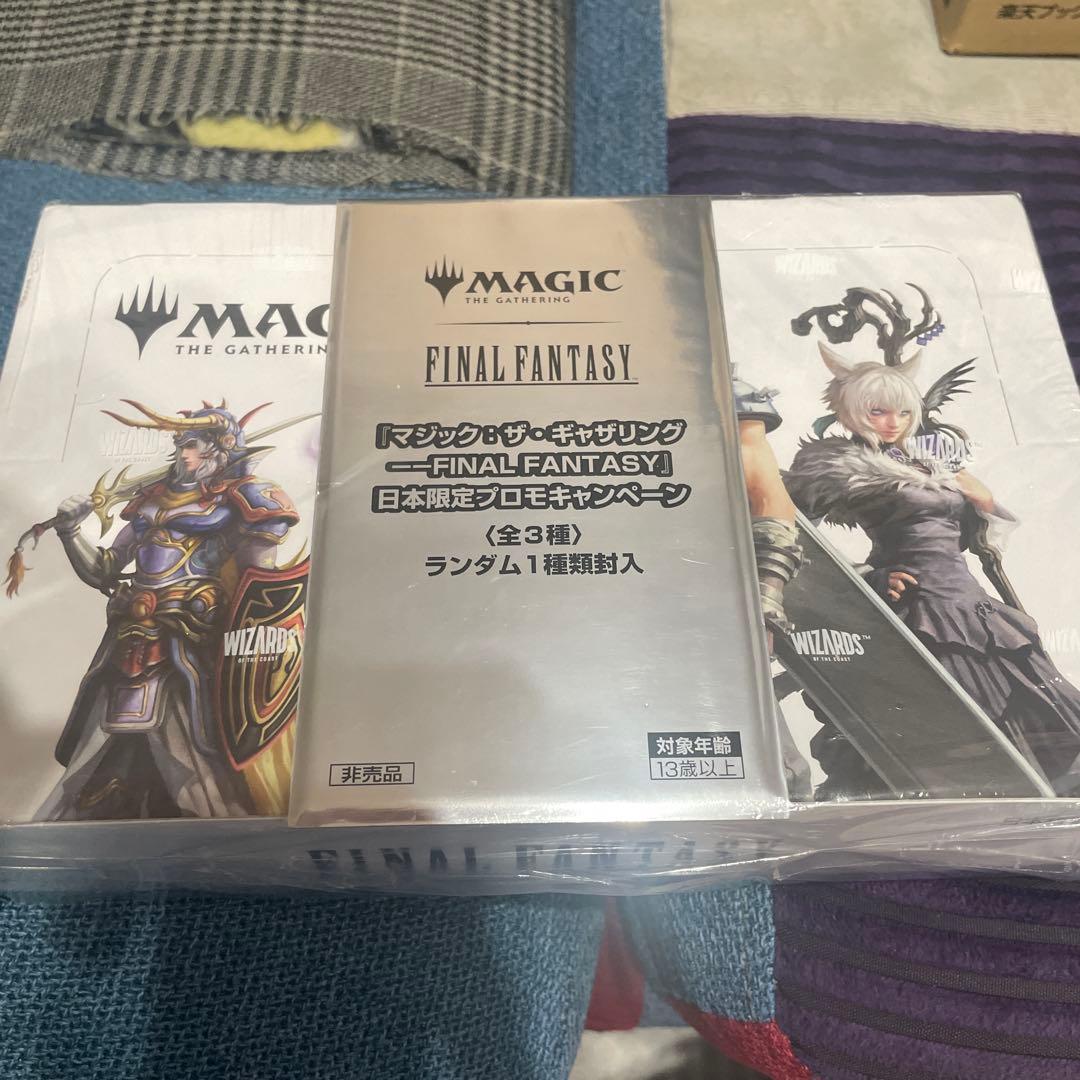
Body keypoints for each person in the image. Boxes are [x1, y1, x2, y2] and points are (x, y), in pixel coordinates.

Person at [785, 343, 1080, 795]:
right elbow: (789, 534)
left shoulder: (927, 463)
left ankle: (1030, 795)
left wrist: (983, 501)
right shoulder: (837, 466)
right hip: (919, 607)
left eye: (903, 413)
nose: (893, 422)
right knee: (951, 712)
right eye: (878, 412)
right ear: (849, 409)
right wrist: (867, 580)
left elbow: (969, 540)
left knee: (1034, 706)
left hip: (971, 604)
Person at [35, 401, 300, 820]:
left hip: (193, 634)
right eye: (180, 444)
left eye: (192, 443)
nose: (182, 452)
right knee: (108, 727)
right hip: (132, 634)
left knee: (198, 737)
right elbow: (104, 569)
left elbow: (260, 584)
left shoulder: (245, 500)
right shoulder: (149, 505)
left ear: (220, 449)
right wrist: (70, 531)